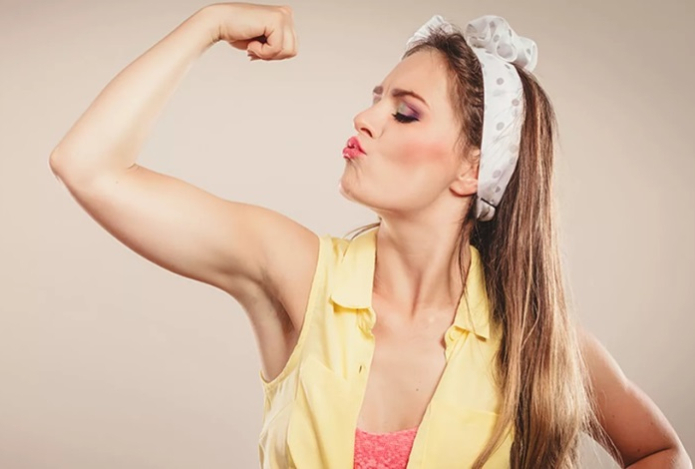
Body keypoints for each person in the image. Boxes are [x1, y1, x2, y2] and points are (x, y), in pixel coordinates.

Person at [48, 3, 692, 468]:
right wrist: (209, 23)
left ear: (473, 169)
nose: (365, 116)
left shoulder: (536, 335)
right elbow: (88, 166)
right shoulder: (296, 272)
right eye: (376, 97)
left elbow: (659, 453)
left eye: (404, 111)